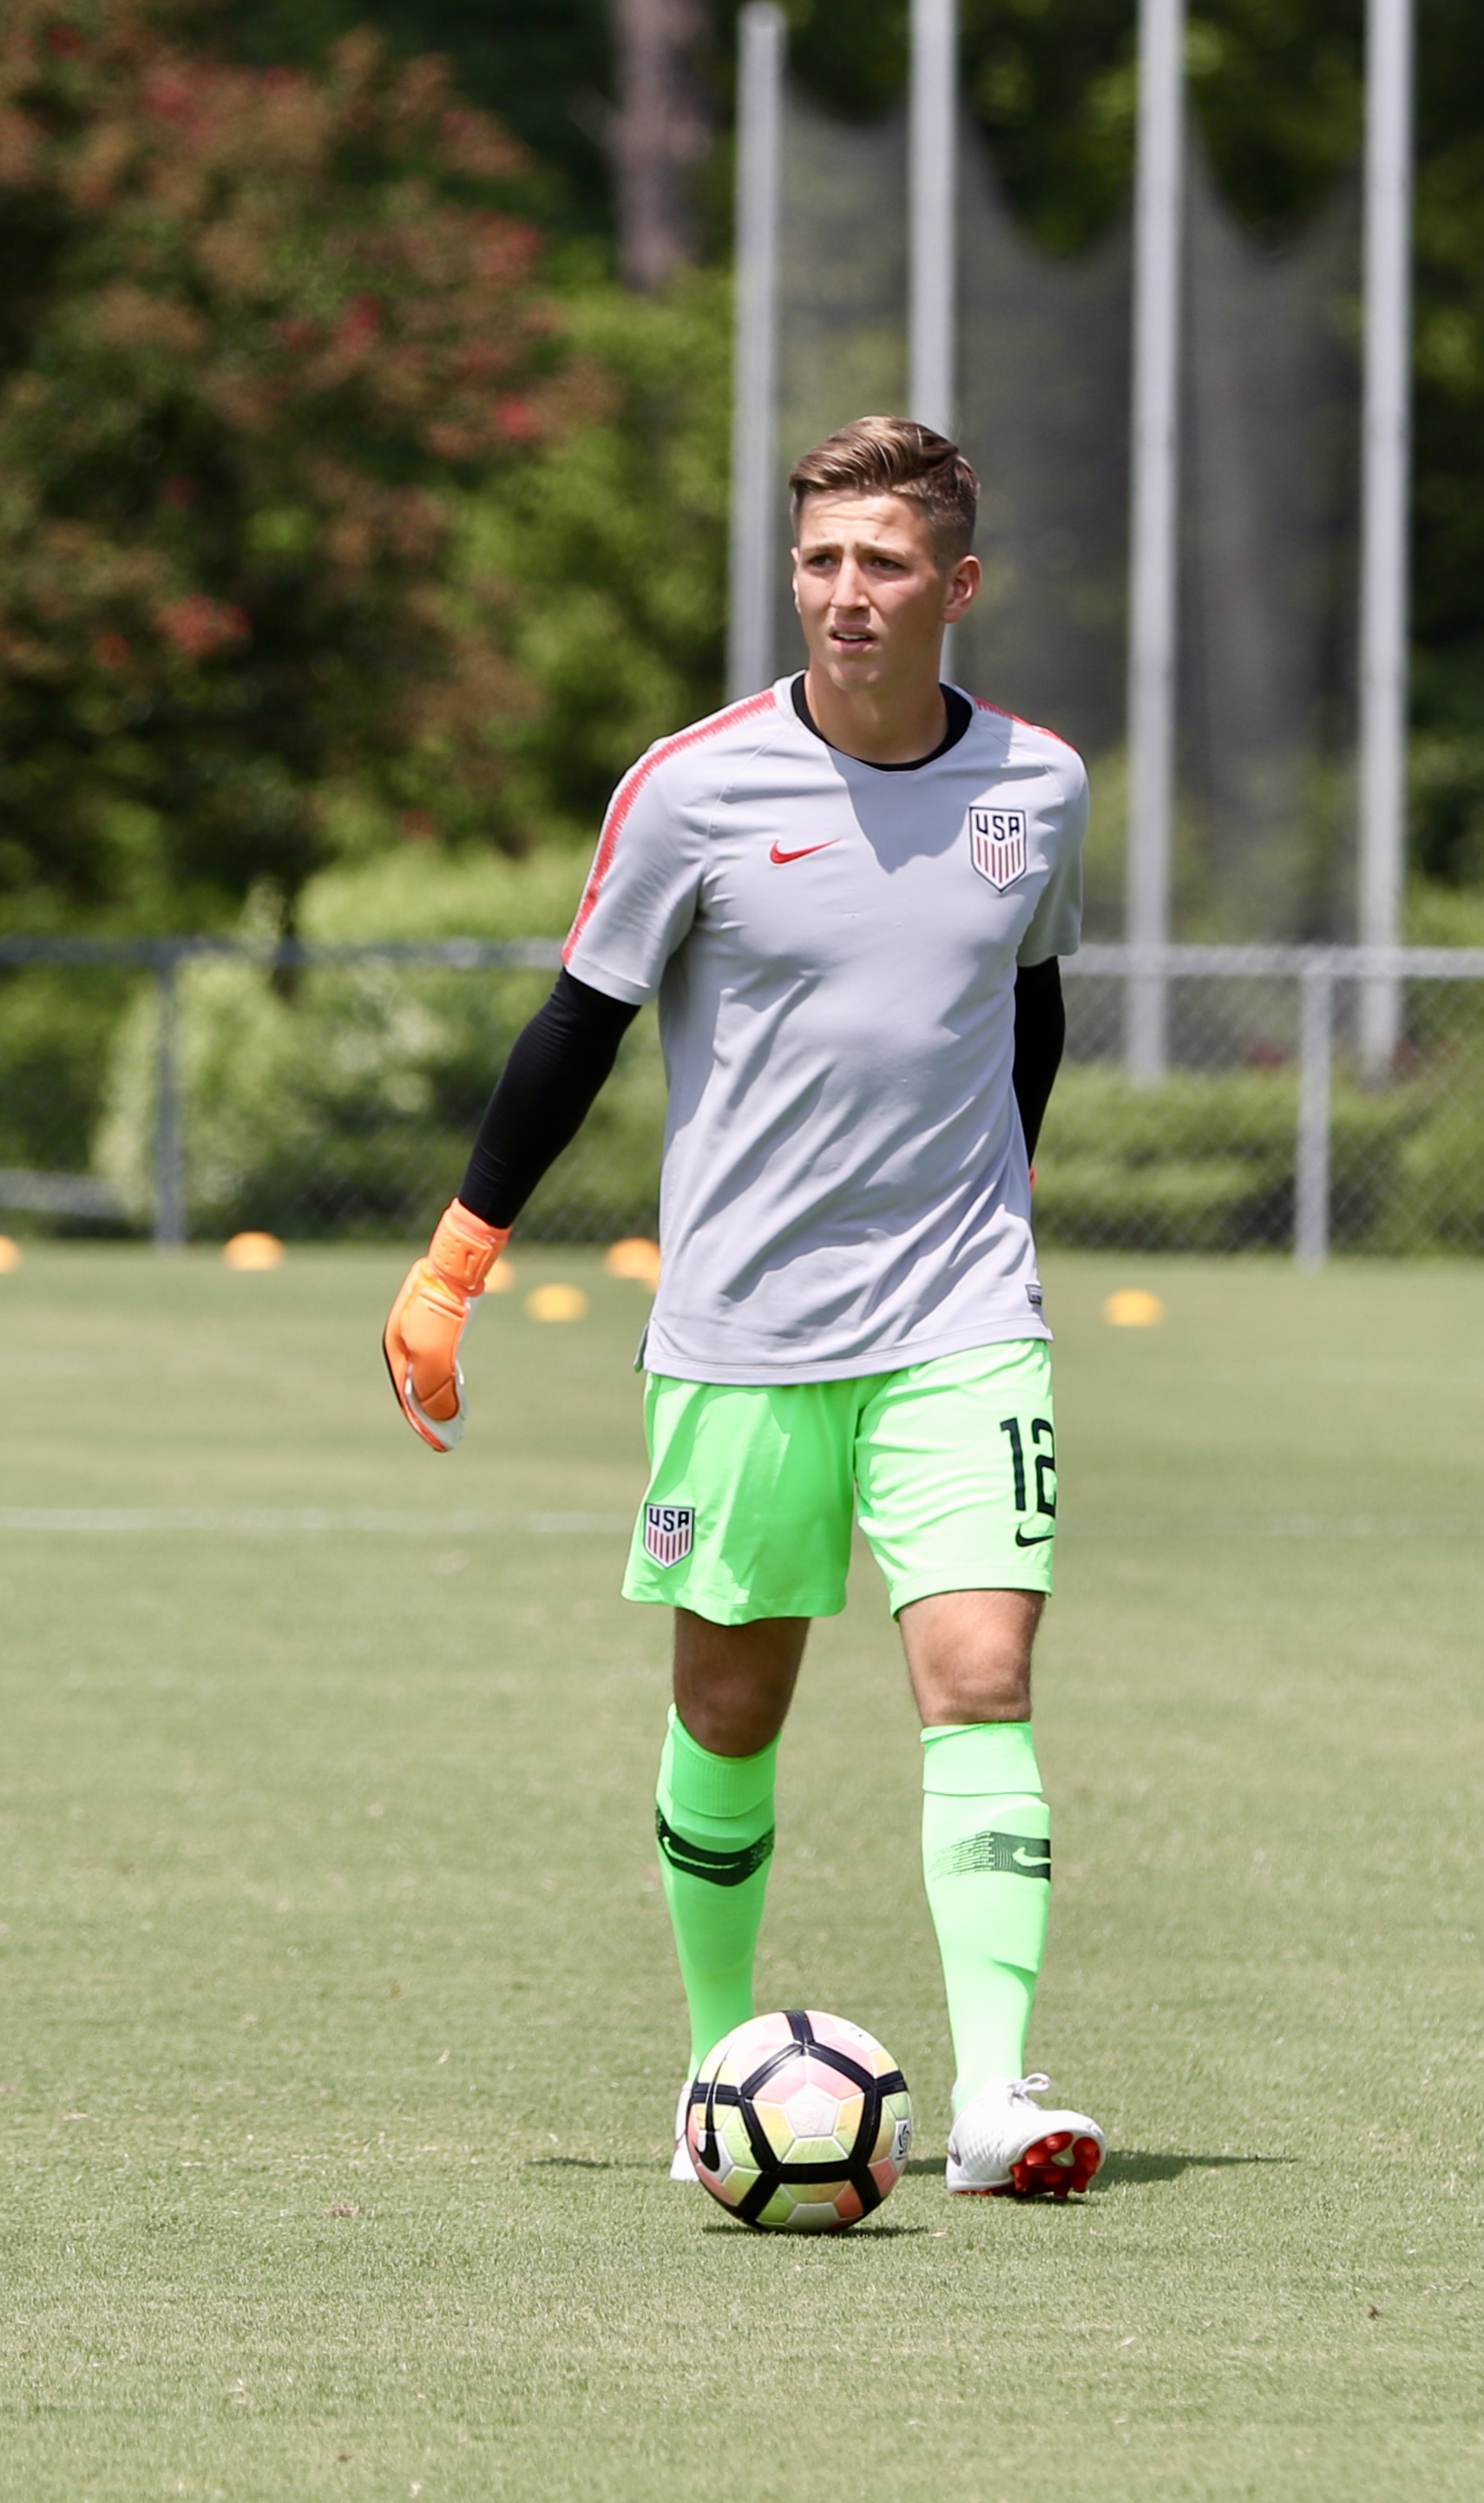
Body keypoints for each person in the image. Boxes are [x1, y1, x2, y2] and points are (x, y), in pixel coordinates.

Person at [380, 417, 1100, 2199]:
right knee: (727, 1710)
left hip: (958, 1314)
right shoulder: (690, 785)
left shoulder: (1037, 787)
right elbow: (574, 1027)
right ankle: (715, 2056)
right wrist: (452, 1261)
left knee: (979, 1670)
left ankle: (1000, 2093)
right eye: (817, 562)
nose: (843, 596)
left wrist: (993, 1201)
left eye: (877, 562)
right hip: (738, 1334)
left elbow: (1030, 1006)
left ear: (954, 584)